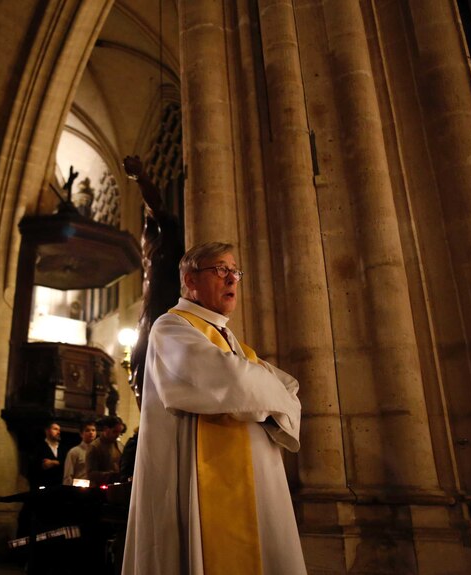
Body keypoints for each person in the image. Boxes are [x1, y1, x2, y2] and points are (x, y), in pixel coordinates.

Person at [122, 242, 306, 575]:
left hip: (256, 485)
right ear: (190, 280)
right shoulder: (172, 327)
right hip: (203, 482)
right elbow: (233, 384)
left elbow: (289, 388)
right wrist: (264, 396)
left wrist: (258, 392)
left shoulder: (232, 342)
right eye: (220, 270)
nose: (232, 279)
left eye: (235, 272)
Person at [123, 155, 184, 407]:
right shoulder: (147, 248)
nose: (147, 227)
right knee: (138, 369)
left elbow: (155, 206)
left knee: (156, 370)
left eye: (150, 223)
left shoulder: (169, 236)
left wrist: (142, 178)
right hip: (147, 314)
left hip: (164, 311)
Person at [86, 416, 125, 487]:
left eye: (119, 432)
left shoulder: (120, 446)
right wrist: (110, 476)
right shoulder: (95, 446)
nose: (117, 435)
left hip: (115, 487)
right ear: (105, 429)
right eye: (115, 432)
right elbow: (90, 474)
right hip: (98, 489)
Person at [28, 421, 66, 489]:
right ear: (47, 431)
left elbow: (67, 464)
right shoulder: (38, 447)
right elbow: (32, 467)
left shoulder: (63, 448)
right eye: (55, 429)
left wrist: (55, 462)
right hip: (43, 487)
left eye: (59, 430)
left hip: (59, 487)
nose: (58, 432)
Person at [62, 421, 97, 485]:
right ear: (81, 434)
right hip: (79, 489)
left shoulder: (98, 451)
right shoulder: (74, 452)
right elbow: (68, 476)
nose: (91, 433)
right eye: (87, 430)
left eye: (93, 430)